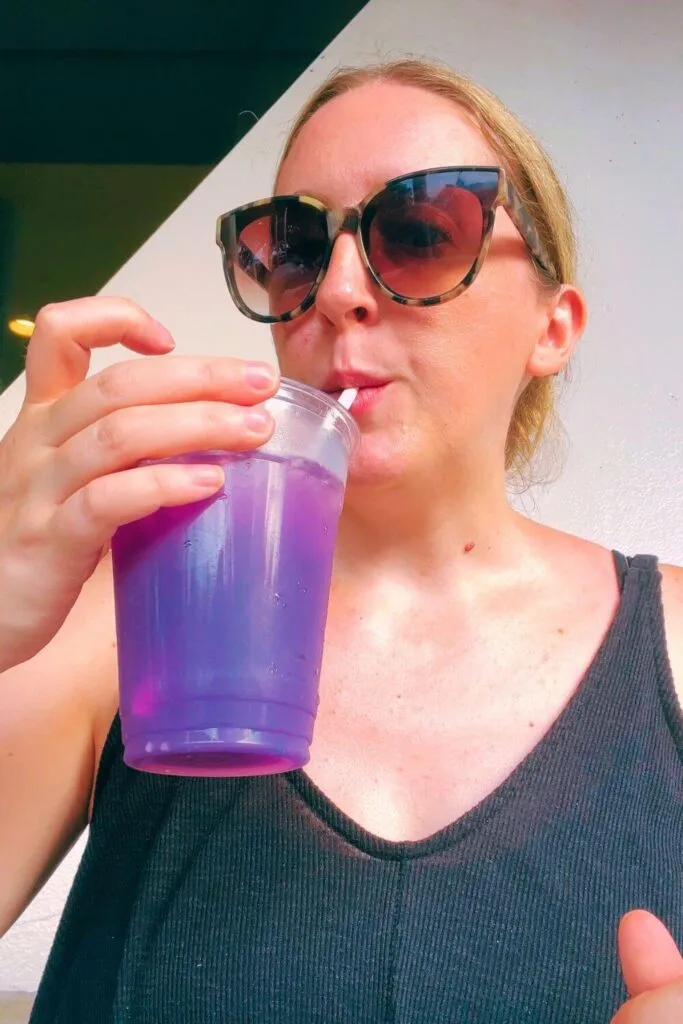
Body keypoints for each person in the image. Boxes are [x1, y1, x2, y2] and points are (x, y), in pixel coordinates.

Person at [0, 58, 682, 1023]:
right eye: (294, 249)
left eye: (420, 231)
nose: (336, 291)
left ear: (552, 325)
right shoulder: (116, 618)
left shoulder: (672, 642)